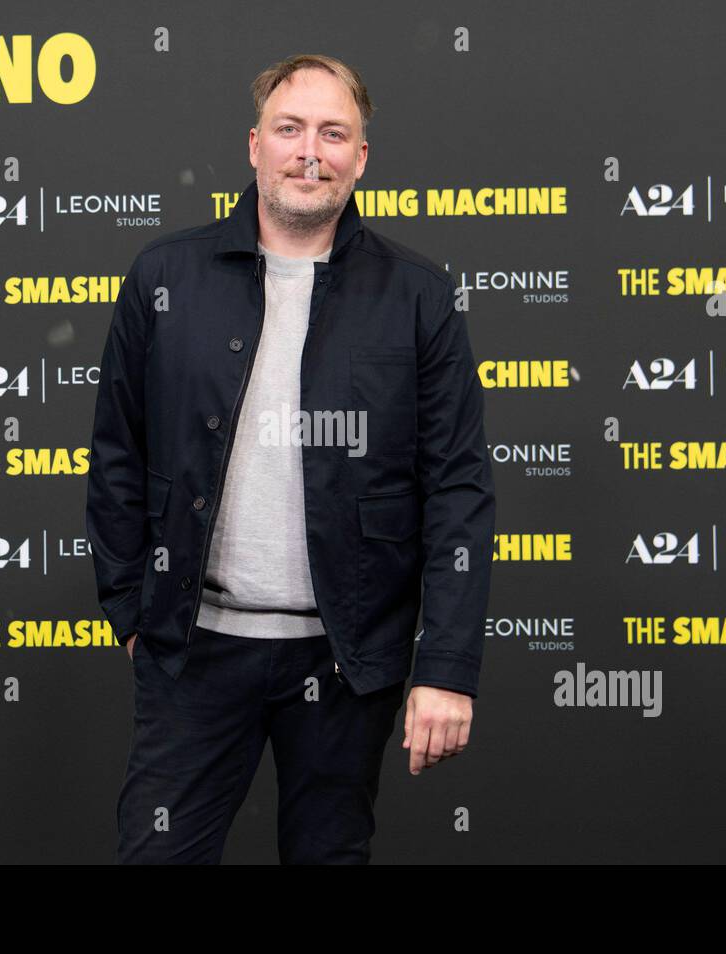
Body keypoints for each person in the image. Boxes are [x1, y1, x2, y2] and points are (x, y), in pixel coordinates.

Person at [86, 53, 496, 864]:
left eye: (334, 133)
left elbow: (457, 487)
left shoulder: (418, 295)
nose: (312, 150)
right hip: (194, 650)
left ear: (361, 158)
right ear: (254, 146)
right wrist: (131, 611)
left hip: (347, 662)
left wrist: (444, 667)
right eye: (291, 128)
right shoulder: (165, 276)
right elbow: (117, 456)